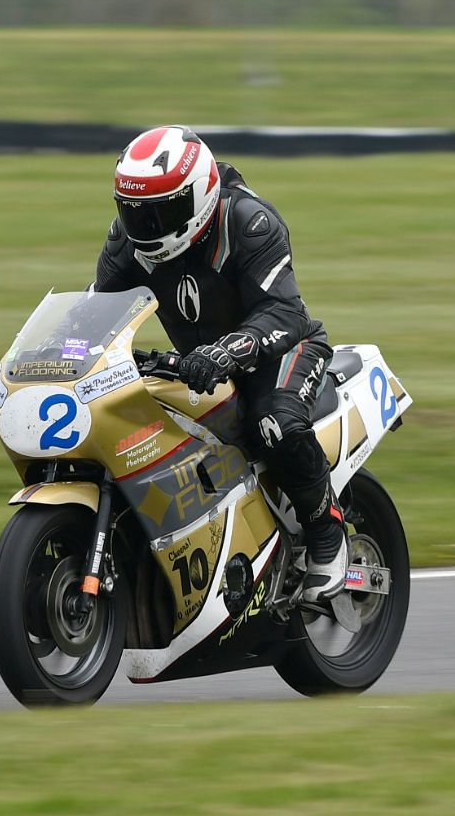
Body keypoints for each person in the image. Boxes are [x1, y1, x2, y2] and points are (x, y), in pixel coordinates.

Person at [93, 125, 351, 600]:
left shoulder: (250, 223)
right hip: (200, 364)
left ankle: (327, 535)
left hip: (283, 349)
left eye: (161, 212)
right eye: (135, 212)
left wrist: (226, 352)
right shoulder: (127, 242)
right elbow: (96, 312)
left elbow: (286, 313)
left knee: (274, 424)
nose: (146, 226)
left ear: (198, 196)